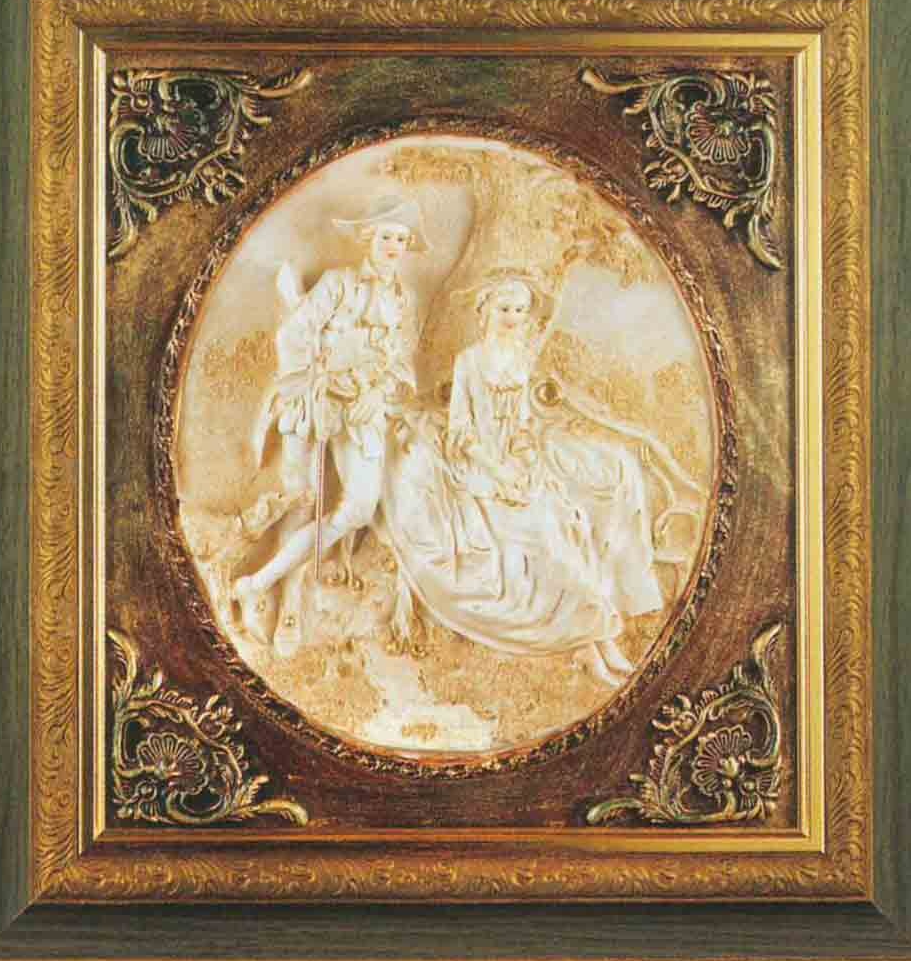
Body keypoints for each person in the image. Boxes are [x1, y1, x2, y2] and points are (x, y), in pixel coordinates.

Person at [379, 271, 677, 686]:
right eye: (505, 308)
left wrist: (524, 461)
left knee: (569, 525)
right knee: (548, 542)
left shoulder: (519, 360)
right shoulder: (470, 361)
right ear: (486, 311)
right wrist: (498, 470)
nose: (512, 317)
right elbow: (461, 431)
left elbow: (521, 424)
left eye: (519, 310)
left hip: (517, 467)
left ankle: (599, 643)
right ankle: (593, 643)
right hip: (479, 469)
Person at [231, 197, 425, 653]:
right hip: (314, 401)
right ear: (369, 238)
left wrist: (376, 393)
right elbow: (294, 335)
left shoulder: (401, 299)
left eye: (401, 239)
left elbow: (401, 365)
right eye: (386, 236)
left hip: (363, 411)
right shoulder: (339, 284)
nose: (393, 245)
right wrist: (321, 380)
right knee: (304, 501)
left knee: (358, 506)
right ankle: (288, 603)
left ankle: (257, 582)